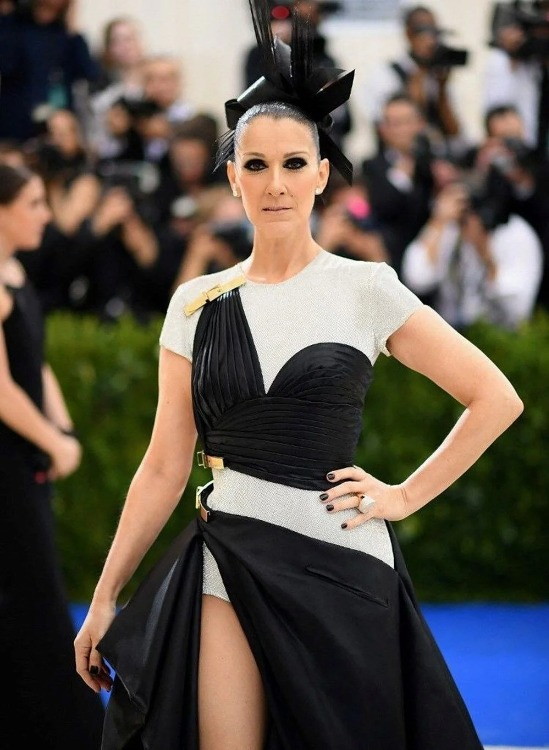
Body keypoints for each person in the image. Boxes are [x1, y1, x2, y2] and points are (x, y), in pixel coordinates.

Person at [74, 3, 523, 748]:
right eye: (255, 165)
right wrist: (103, 596)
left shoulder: (366, 288)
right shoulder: (195, 302)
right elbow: (162, 465)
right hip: (227, 558)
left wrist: (403, 495)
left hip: (342, 564)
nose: (274, 183)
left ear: (320, 175)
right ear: (232, 178)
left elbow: (494, 398)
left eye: (292, 164)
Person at [0, 163, 105, 747]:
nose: (45, 214)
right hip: (8, 465)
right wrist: (53, 440)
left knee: (33, 594)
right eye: (34, 203)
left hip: (26, 458)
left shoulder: (14, 271)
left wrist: (62, 430)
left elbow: (33, 362)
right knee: (33, 597)